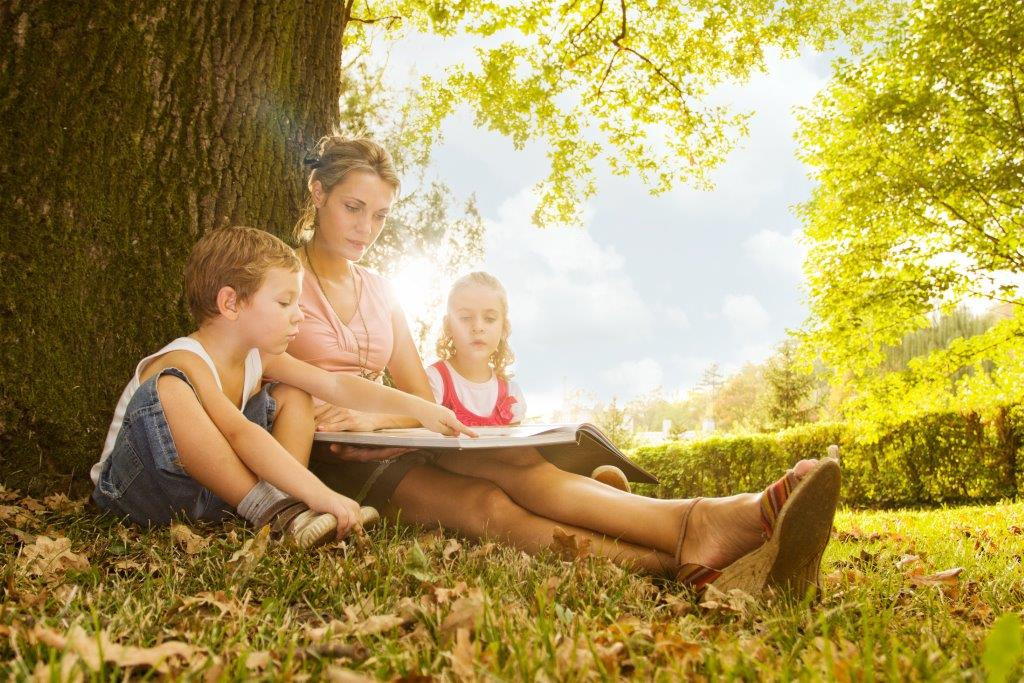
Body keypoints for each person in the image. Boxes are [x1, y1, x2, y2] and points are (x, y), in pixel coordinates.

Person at [289, 134, 841, 594]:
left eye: (379, 216)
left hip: (392, 438)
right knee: (487, 504)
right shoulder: (283, 275)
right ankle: (679, 559)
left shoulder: (382, 290)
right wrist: (352, 422)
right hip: (329, 462)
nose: (366, 228)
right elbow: (265, 377)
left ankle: (701, 527)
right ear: (318, 193)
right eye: (353, 208)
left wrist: (377, 419)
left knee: (523, 464)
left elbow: (425, 403)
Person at [91, 226, 474, 551]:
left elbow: (337, 385)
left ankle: (281, 505)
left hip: (214, 496)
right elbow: (241, 434)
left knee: (295, 394)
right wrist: (318, 492)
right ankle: (281, 509)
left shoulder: (261, 358)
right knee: (170, 390)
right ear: (231, 303)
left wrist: (421, 408)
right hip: (140, 492)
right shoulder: (185, 361)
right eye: (285, 301)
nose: (299, 313)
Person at [427, 270, 632, 492]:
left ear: (504, 328)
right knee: (526, 477)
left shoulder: (510, 393)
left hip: (508, 480)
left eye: (489, 318)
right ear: (448, 325)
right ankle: (595, 495)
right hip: (459, 482)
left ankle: (599, 494)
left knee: (531, 465)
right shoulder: (436, 380)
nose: (478, 326)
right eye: (466, 317)